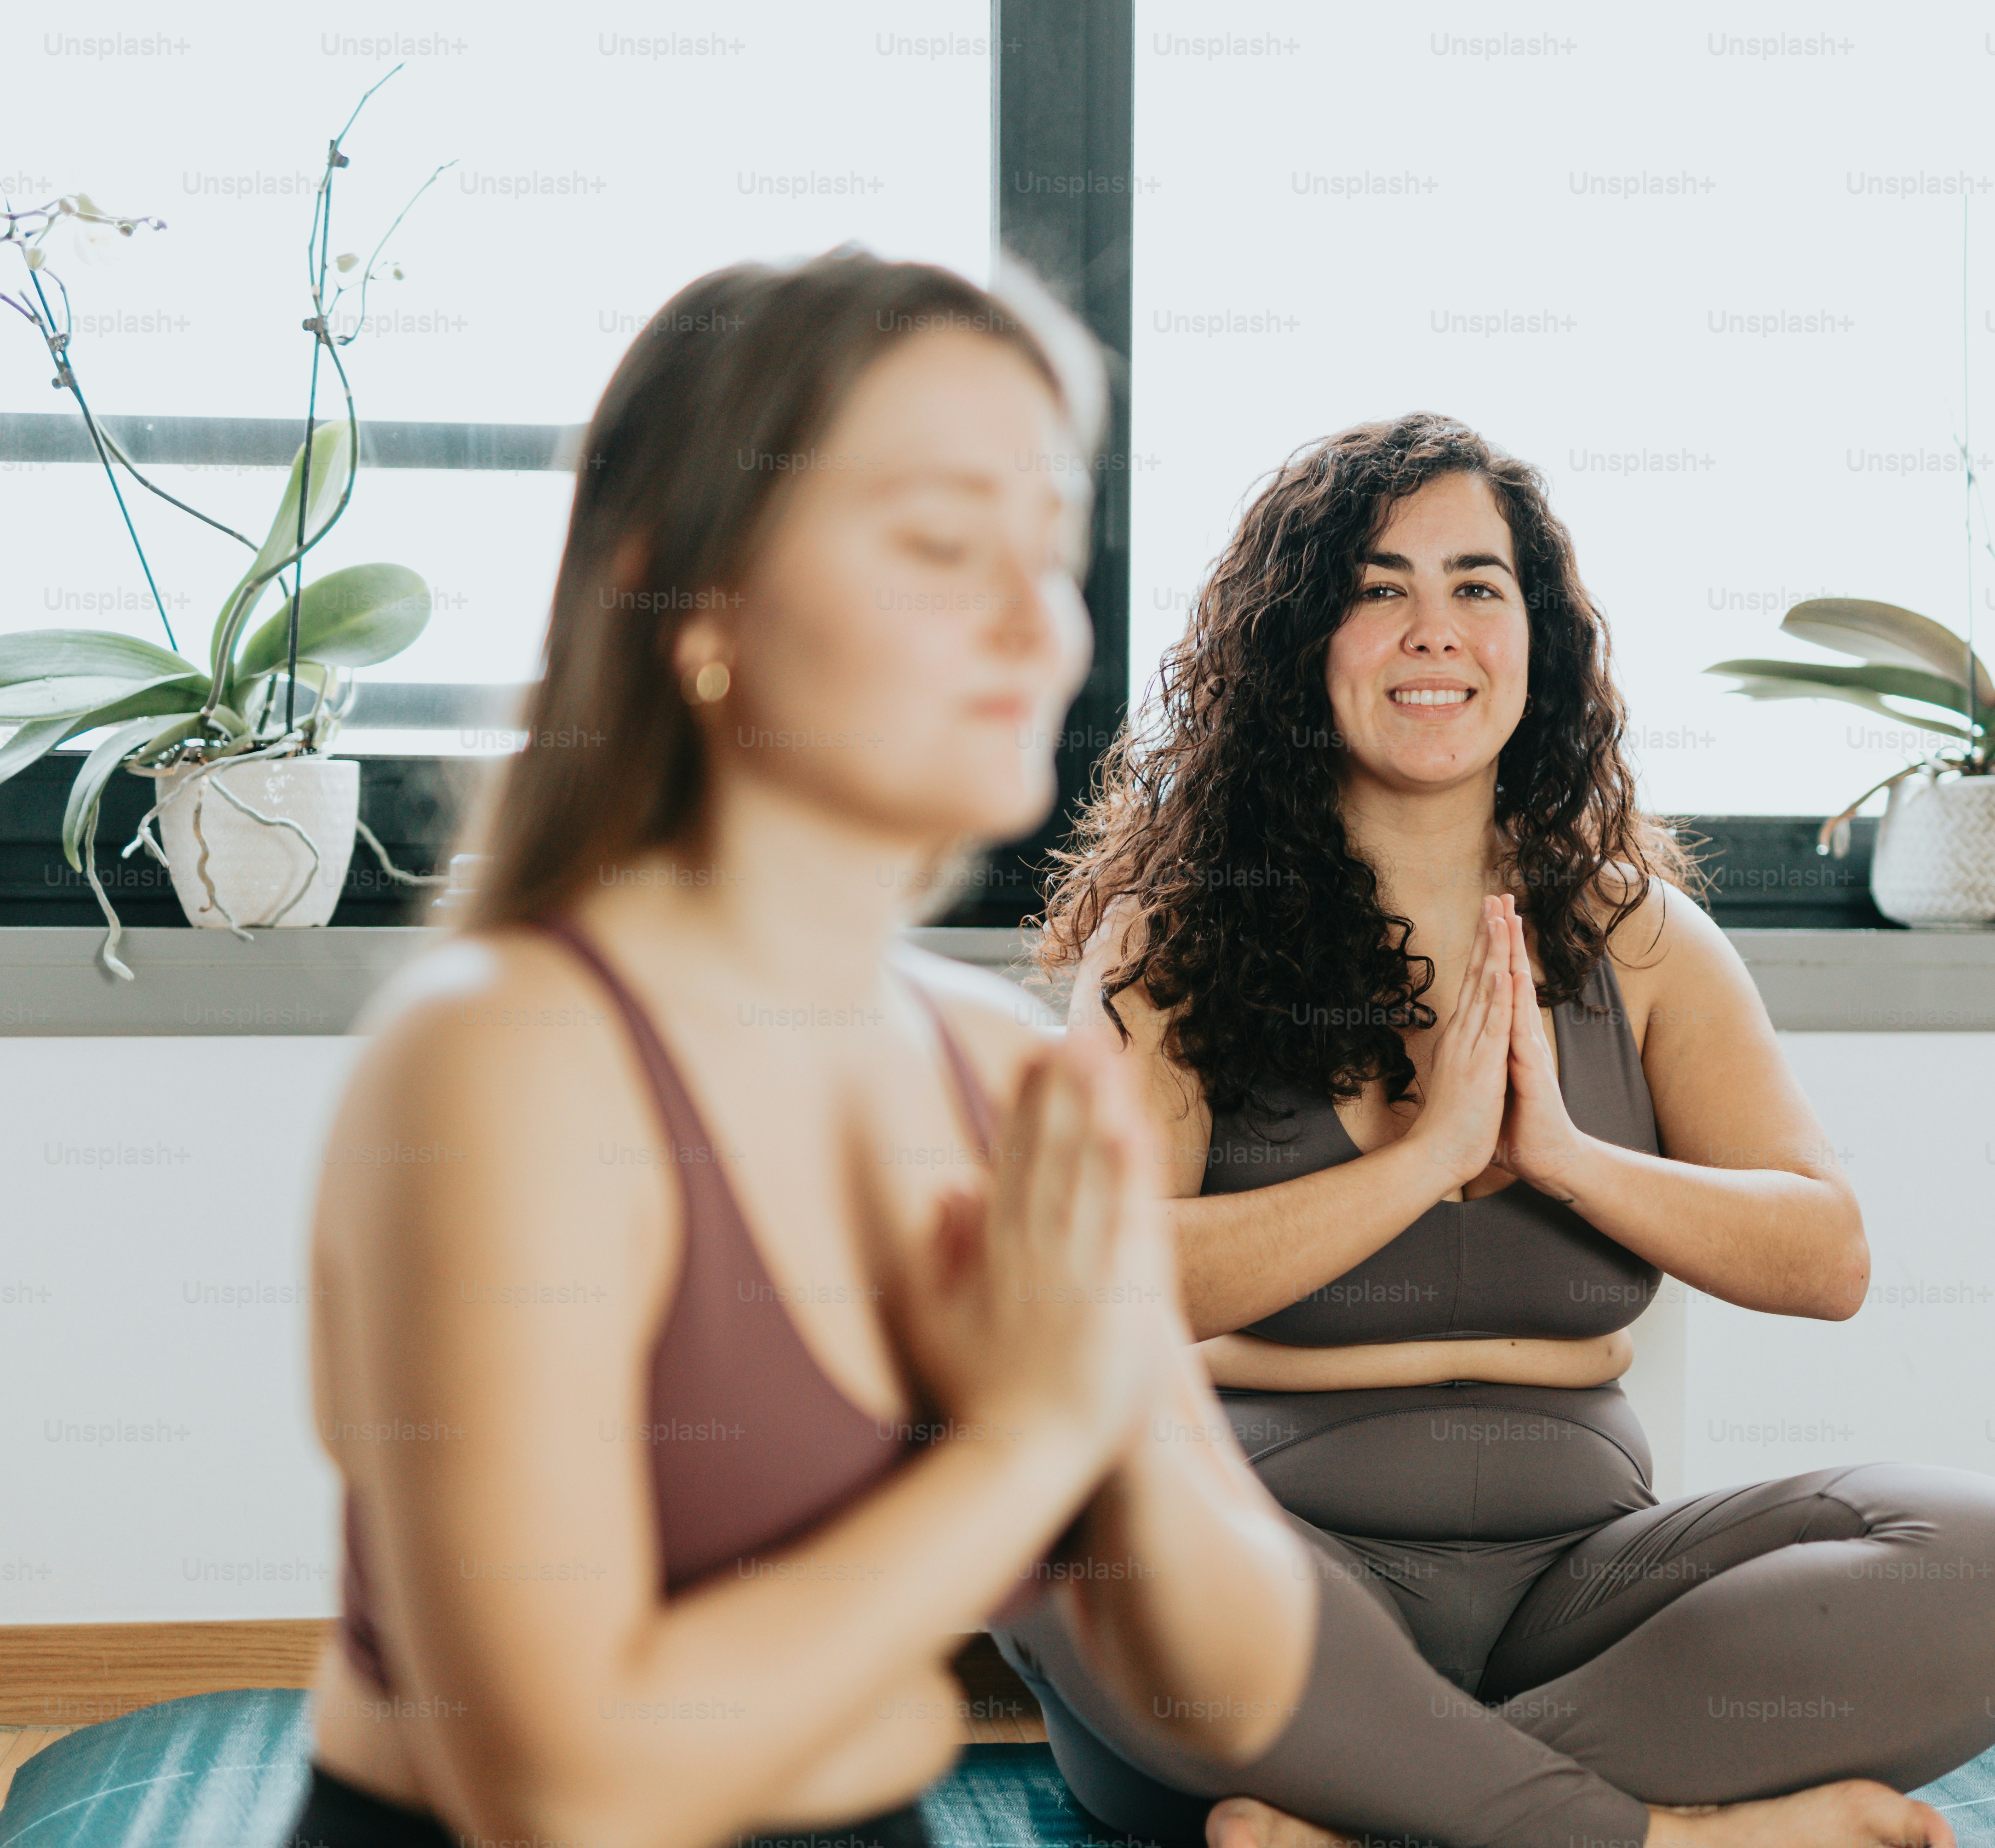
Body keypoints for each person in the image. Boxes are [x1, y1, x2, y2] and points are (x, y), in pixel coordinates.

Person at [295, 252, 1315, 1848]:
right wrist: (1025, 1441)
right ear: (692, 600)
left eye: (1048, 550)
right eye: (936, 544)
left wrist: (1105, 1375)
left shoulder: (1001, 1070)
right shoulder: (505, 1064)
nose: (1033, 624)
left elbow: (1234, 1690)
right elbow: (566, 1792)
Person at [1016, 413, 1995, 1848]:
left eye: (1478, 585)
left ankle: (1385, 1813)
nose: (1435, 630)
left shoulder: (1646, 944)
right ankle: (1670, 1837)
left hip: (1580, 1599)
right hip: (1269, 1577)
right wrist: (1421, 1161)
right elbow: (1091, 1292)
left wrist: (1563, 1155)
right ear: (1297, 642)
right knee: (1054, 1513)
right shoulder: (1171, 945)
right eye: (1377, 586)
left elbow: (1826, 1254)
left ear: (1540, 638)